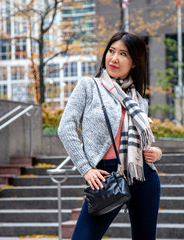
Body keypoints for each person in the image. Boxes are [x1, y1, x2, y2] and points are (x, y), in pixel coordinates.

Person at [58, 31, 162, 240]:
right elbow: (65, 128)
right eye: (111, 51)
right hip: (105, 177)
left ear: (134, 62)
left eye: (123, 54)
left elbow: (142, 141)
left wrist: (156, 151)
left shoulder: (139, 99)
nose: (114, 58)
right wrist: (86, 169)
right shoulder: (89, 86)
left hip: (143, 175)